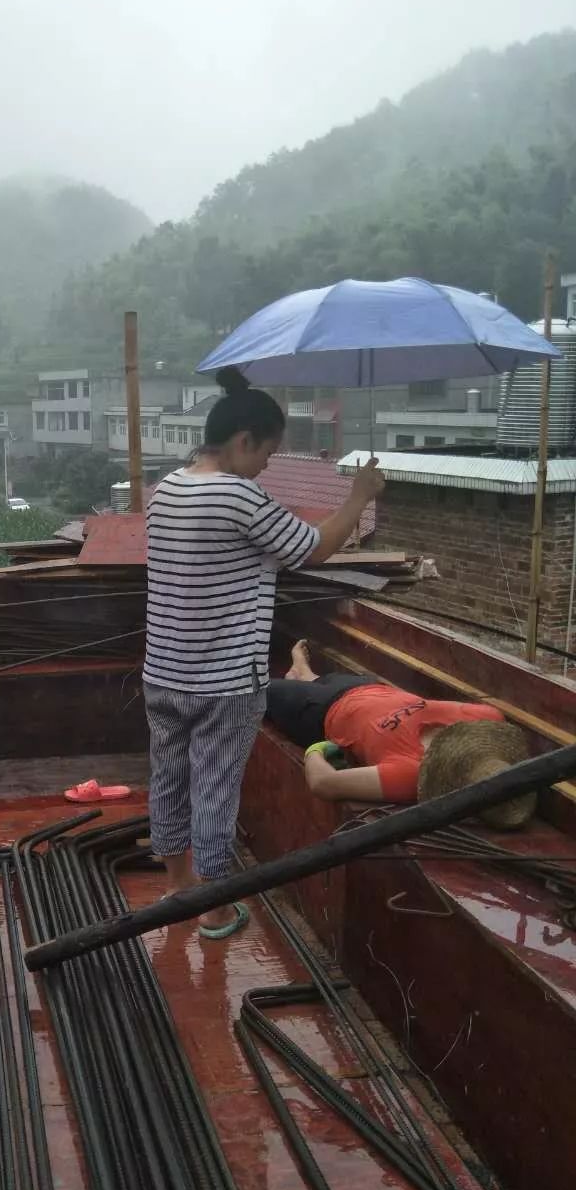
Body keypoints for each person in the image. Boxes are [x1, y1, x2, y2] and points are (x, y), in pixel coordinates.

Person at [144, 381, 385, 937]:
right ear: (244, 440)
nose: (266, 468)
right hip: (223, 681)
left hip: (163, 671)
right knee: (214, 789)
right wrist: (360, 495)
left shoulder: (167, 489)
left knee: (170, 780)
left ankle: (178, 890)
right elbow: (314, 547)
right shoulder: (237, 496)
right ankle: (214, 908)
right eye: (268, 454)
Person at [265, 640, 535, 828]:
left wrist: (317, 749)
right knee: (320, 681)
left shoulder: (411, 776)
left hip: (319, 712)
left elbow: (323, 782)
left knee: (254, 690)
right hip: (367, 687)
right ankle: (302, 673)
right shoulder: (483, 719)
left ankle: (298, 679)